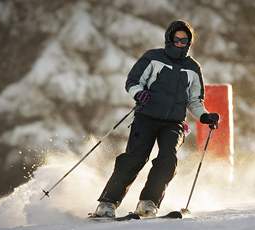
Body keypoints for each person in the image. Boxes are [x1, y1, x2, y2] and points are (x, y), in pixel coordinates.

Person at [93, 20, 219, 218]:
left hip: (173, 123)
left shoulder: (193, 68)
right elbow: (133, 81)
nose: (180, 43)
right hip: (146, 117)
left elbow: (195, 100)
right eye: (176, 39)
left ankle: (148, 202)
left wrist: (204, 115)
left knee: (168, 159)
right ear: (169, 38)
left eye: (184, 40)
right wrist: (139, 93)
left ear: (189, 42)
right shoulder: (153, 57)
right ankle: (107, 203)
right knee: (134, 158)